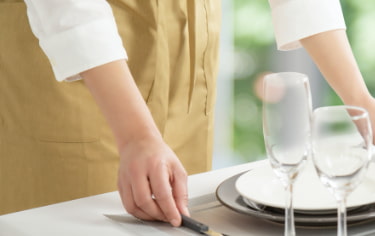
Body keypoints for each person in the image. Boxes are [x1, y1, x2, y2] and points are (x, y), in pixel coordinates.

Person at [1, 0, 374, 227]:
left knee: (179, 217)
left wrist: (361, 99)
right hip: (79, 65)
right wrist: (135, 133)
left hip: (189, 51)